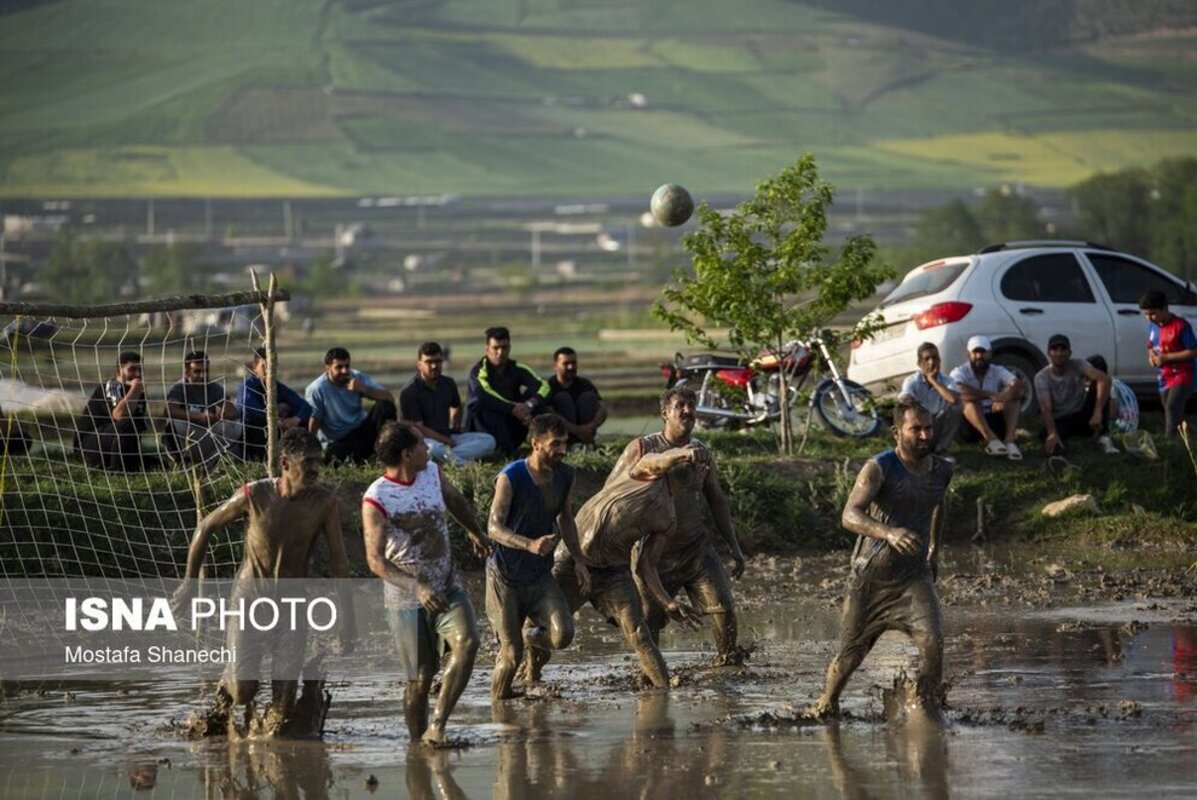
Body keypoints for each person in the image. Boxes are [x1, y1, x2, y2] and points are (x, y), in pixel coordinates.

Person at [172, 429, 355, 736]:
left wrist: (348, 620)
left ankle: (270, 745)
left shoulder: (325, 503)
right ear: (285, 463)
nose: (314, 470)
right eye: (307, 462)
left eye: (317, 462)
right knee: (244, 690)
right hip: (250, 600)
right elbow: (205, 527)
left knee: (284, 703)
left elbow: (339, 562)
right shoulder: (255, 494)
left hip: (293, 606)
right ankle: (227, 691)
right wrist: (188, 584)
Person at [810, 400, 953, 720]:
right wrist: (888, 533)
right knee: (851, 654)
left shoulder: (943, 469)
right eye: (916, 429)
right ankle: (826, 706)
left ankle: (928, 711)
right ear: (896, 432)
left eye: (928, 428)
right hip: (870, 578)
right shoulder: (879, 467)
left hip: (913, 576)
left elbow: (939, 504)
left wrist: (934, 550)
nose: (924, 436)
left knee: (933, 641)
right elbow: (849, 514)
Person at [361, 423, 490, 746]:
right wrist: (417, 587)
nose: (427, 449)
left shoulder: (432, 473)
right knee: (420, 679)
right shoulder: (377, 498)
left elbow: (455, 501)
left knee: (468, 642)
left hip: (447, 585)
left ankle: (438, 726)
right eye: (421, 445)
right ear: (406, 454)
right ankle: (416, 745)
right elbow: (375, 561)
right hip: (406, 599)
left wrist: (475, 531)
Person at [610, 386, 747, 666]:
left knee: (724, 609)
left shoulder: (702, 452)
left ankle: (727, 669)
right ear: (664, 413)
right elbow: (610, 494)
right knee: (649, 621)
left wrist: (734, 546)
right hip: (652, 552)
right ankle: (651, 675)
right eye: (680, 406)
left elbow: (717, 500)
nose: (688, 411)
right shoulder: (642, 448)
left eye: (691, 405)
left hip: (695, 548)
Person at [547, 445, 704, 687]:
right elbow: (660, 459)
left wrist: (668, 602)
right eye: (698, 466)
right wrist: (685, 453)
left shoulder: (667, 519)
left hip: (614, 571)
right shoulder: (646, 472)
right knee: (548, 628)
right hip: (574, 559)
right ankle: (529, 675)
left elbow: (646, 565)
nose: (701, 471)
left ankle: (664, 691)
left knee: (639, 633)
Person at [485, 414, 589, 701]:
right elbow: (493, 527)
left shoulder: (566, 475)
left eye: (565, 443)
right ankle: (500, 708)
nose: (562, 450)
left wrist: (579, 560)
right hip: (505, 576)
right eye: (555, 444)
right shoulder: (511, 476)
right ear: (535, 444)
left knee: (562, 635)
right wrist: (529, 544)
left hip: (539, 576)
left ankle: (528, 637)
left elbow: (565, 519)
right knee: (510, 656)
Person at [400, 341, 496, 466]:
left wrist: (455, 425)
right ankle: (463, 464)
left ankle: (447, 458)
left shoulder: (448, 383)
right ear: (419, 364)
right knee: (433, 450)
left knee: (488, 441)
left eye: (438, 361)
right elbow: (419, 429)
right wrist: (446, 441)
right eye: (429, 362)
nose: (434, 366)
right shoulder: (410, 391)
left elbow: (456, 406)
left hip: (448, 436)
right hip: (424, 440)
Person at [465, 327, 550, 456]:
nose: (500, 352)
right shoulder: (478, 371)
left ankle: (546, 446)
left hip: (511, 424)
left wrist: (529, 405)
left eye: (504, 348)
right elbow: (483, 394)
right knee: (485, 406)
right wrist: (512, 407)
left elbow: (544, 386)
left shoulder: (517, 368)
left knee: (537, 401)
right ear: (487, 349)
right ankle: (509, 452)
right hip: (484, 432)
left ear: (509, 348)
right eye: (496, 348)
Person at [305, 346, 397, 464]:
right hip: (339, 439)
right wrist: (311, 450)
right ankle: (367, 456)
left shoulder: (357, 377)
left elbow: (389, 398)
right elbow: (314, 420)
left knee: (385, 407)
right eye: (339, 367)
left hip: (361, 430)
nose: (344, 371)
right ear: (327, 368)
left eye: (347, 366)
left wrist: (364, 389)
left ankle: (387, 453)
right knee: (334, 455)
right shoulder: (317, 389)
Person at [1034, 334, 1118, 459]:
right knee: (1045, 433)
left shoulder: (1078, 365)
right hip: (1062, 418)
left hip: (1082, 413)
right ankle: (1058, 455)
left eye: (1063, 349)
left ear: (1070, 353)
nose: (1059, 354)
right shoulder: (1041, 377)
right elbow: (1046, 408)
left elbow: (1104, 379)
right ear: (1049, 353)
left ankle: (1103, 436)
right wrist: (1052, 432)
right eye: (1055, 350)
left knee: (1098, 364)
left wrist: (1097, 412)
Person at [74, 351, 155, 471]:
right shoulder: (111, 386)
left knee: (158, 464)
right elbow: (120, 415)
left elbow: (137, 428)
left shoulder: (137, 394)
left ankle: (127, 465)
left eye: (140, 370)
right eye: (132, 369)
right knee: (127, 424)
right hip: (90, 447)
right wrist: (136, 388)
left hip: (117, 446)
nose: (137, 374)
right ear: (118, 371)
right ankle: (117, 470)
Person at [948, 335, 1024, 460]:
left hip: (993, 416)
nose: (979, 356)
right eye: (975, 352)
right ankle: (991, 439)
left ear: (990, 353)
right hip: (969, 424)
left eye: (983, 352)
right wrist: (989, 394)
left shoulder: (997, 370)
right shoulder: (959, 372)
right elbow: (958, 390)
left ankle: (1009, 441)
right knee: (969, 401)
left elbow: (1017, 384)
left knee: (1014, 399)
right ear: (968, 354)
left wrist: (1004, 396)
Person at [165, 350, 243, 466]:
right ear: (187, 372)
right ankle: (181, 462)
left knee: (235, 426)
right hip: (187, 436)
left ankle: (210, 464)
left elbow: (232, 410)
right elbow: (169, 410)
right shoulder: (179, 388)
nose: (203, 376)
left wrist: (223, 414)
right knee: (173, 423)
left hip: (207, 434)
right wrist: (198, 416)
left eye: (206, 371)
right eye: (197, 371)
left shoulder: (214, 387)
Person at [236, 347, 313, 461]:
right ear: (255, 367)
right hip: (252, 437)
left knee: (301, 418)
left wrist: (295, 420)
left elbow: (305, 406)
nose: (269, 371)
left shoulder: (277, 387)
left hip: (277, 429)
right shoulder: (247, 387)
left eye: (273, 366)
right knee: (259, 424)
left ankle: (298, 459)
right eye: (265, 366)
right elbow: (250, 408)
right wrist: (275, 420)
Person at [1139, 291, 1197, 437]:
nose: (1149, 318)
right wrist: (1152, 357)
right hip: (1165, 375)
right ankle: (1187, 436)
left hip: (1184, 374)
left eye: (1153, 313)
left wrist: (1167, 357)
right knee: (1170, 409)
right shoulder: (1153, 326)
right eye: (1146, 314)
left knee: (1172, 406)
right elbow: (1151, 346)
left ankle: (1168, 441)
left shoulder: (1181, 326)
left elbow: (1193, 351)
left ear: (1164, 308)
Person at [898, 342, 961, 454]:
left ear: (939, 360)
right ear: (919, 363)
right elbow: (905, 399)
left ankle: (941, 449)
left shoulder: (947, 380)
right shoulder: (912, 381)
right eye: (927, 359)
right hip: (919, 424)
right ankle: (916, 447)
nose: (931, 362)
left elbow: (953, 399)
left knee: (957, 406)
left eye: (935, 358)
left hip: (938, 424)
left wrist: (933, 380)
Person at [547, 346, 607, 446]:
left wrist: (590, 427)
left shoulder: (585, 384)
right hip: (562, 435)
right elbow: (549, 413)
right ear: (555, 366)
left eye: (573, 363)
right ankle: (569, 443)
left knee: (588, 397)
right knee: (563, 398)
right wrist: (577, 430)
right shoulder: (549, 386)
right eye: (566, 364)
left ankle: (587, 443)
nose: (571, 367)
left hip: (587, 433)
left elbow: (602, 408)